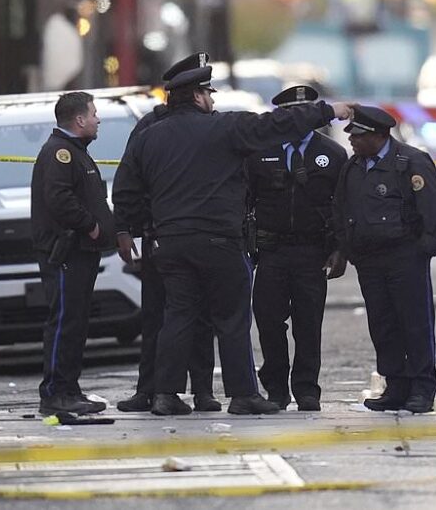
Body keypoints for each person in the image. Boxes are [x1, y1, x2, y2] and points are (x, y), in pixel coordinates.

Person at [113, 59, 353, 416]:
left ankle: (165, 394)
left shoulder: (149, 136)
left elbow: (127, 187)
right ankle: (243, 394)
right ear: (196, 96)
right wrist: (328, 111)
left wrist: (126, 229)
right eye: (208, 93)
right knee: (231, 318)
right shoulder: (224, 128)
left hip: (172, 242)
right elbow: (278, 123)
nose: (212, 99)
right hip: (219, 241)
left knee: (178, 316)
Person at [332, 105, 436, 414]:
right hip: (370, 261)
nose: (352, 141)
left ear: (380, 135)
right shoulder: (354, 167)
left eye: (358, 136)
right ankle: (396, 385)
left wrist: (422, 250)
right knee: (383, 325)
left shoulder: (410, 162)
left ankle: (422, 388)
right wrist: (347, 250)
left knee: (414, 323)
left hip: (404, 258)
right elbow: (342, 210)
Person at [115, 54, 219, 413]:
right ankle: (150, 389)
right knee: (156, 316)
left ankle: (202, 390)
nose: (209, 99)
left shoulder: (211, 125)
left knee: (200, 316)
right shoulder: (150, 126)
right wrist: (126, 229)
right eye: (204, 91)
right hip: (158, 233)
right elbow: (129, 182)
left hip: (190, 234)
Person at [246, 85, 348, 412]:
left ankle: (307, 389)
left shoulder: (332, 154)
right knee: (269, 322)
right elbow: (244, 200)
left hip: (311, 251)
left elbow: (341, 207)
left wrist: (340, 250)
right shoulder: (260, 151)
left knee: (308, 324)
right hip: (271, 251)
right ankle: (275, 388)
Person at [31, 92, 116, 415]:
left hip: (81, 252)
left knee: (76, 322)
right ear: (79, 119)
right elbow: (60, 199)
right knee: (65, 321)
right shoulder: (61, 153)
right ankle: (54, 393)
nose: (97, 120)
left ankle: (69, 388)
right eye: (94, 114)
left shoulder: (74, 151)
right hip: (68, 251)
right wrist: (91, 225)